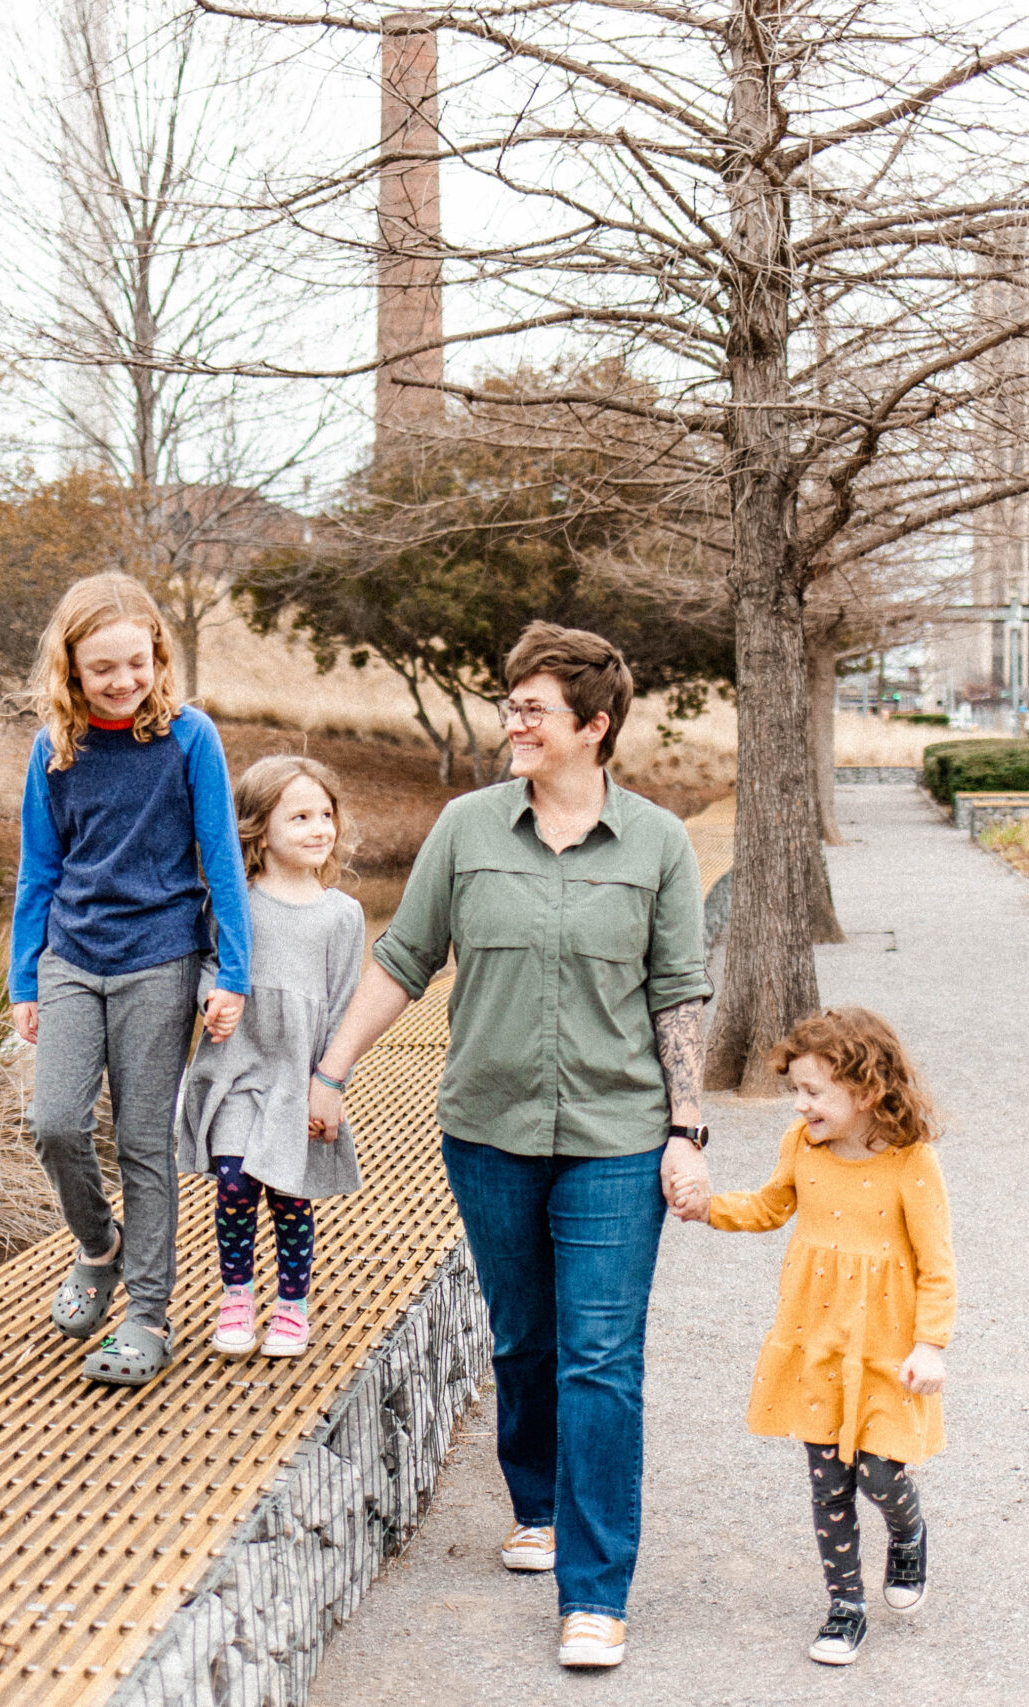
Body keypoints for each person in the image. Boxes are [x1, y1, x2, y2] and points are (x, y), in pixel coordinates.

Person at [306, 621, 711, 1672]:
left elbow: (678, 995)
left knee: (601, 1359)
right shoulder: (465, 829)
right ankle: (534, 1501)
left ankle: (595, 1591)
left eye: (531, 709)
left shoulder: (660, 843)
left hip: (617, 1135)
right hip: (486, 1129)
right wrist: (332, 1067)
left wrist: (687, 1129)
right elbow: (404, 957)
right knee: (525, 1340)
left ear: (594, 725)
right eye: (510, 705)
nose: (511, 724)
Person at [8, 572, 250, 1387]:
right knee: (54, 1123)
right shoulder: (55, 747)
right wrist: (25, 977)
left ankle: (148, 1312)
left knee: (145, 1142)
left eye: (136, 663)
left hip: (160, 957)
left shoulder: (190, 738)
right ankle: (99, 1247)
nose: (122, 681)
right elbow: (38, 871)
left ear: (158, 655)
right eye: (101, 667)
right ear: (70, 668)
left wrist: (233, 972)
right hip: (73, 956)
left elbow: (222, 862)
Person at [699, 1006, 957, 1667]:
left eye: (813, 1091)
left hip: (884, 1350)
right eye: (796, 1090)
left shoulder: (911, 1162)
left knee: (877, 1471)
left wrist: (931, 1343)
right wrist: (707, 1206)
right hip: (816, 1342)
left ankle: (909, 1531)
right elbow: (767, 1206)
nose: (799, 1103)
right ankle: (845, 1605)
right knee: (827, 1484)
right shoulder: (800, 1147)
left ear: (866, 1089)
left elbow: (937, 1263)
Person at [176, 754, 365, 1358]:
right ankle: (236, 1296)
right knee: (234, 1184)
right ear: (258, 828)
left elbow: (343, 1005)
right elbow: (209, 964)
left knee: (289, 1194)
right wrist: (213, 1000)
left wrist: (329, 1082)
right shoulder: (236, 901)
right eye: (300, 817)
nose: (319, 829)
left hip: (296, 1073)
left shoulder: (343, 914)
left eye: (326, 815)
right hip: (237, 1066)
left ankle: (291, 1305)